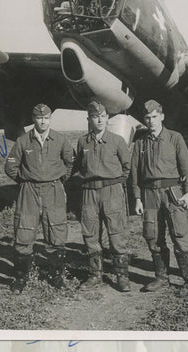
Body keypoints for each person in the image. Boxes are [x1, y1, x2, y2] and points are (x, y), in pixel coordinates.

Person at [4, 103, 74, 293]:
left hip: (53, 189)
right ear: (34, 119)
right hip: (29, 191)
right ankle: (21, 278)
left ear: (50, 119)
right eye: (39, 118)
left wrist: (59, 180)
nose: (43, 121)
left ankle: (56, 276)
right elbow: (10, 166)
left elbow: (70, 163)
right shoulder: (23, 141)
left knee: (56, 231)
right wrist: (25, 181)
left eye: (46, 118)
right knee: (24, 232)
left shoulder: (60, 139)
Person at [130, 99, 188, 291]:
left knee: (180, 233)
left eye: (154, 117)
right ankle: (161, 277)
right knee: (152, 235)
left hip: (172, 192)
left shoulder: (175, 138)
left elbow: (187, 168)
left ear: (162, 117)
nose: (151, 121)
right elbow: (134, 174)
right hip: (149, 194)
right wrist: (136, 198)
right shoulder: (140, 143)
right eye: (147, 117)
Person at [73, 101, 131, 291]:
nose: (99, 119)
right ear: (89, 119)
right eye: (95, 116)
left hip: (112, 191)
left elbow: (127, 168)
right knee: (90, 233)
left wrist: (115, 184)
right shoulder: (83, 142)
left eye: (103, 116)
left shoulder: (117, 141)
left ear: (107, 118)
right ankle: (95, 274)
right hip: (89, 191)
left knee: (116, 233)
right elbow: (79, 166)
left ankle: (121, 276)